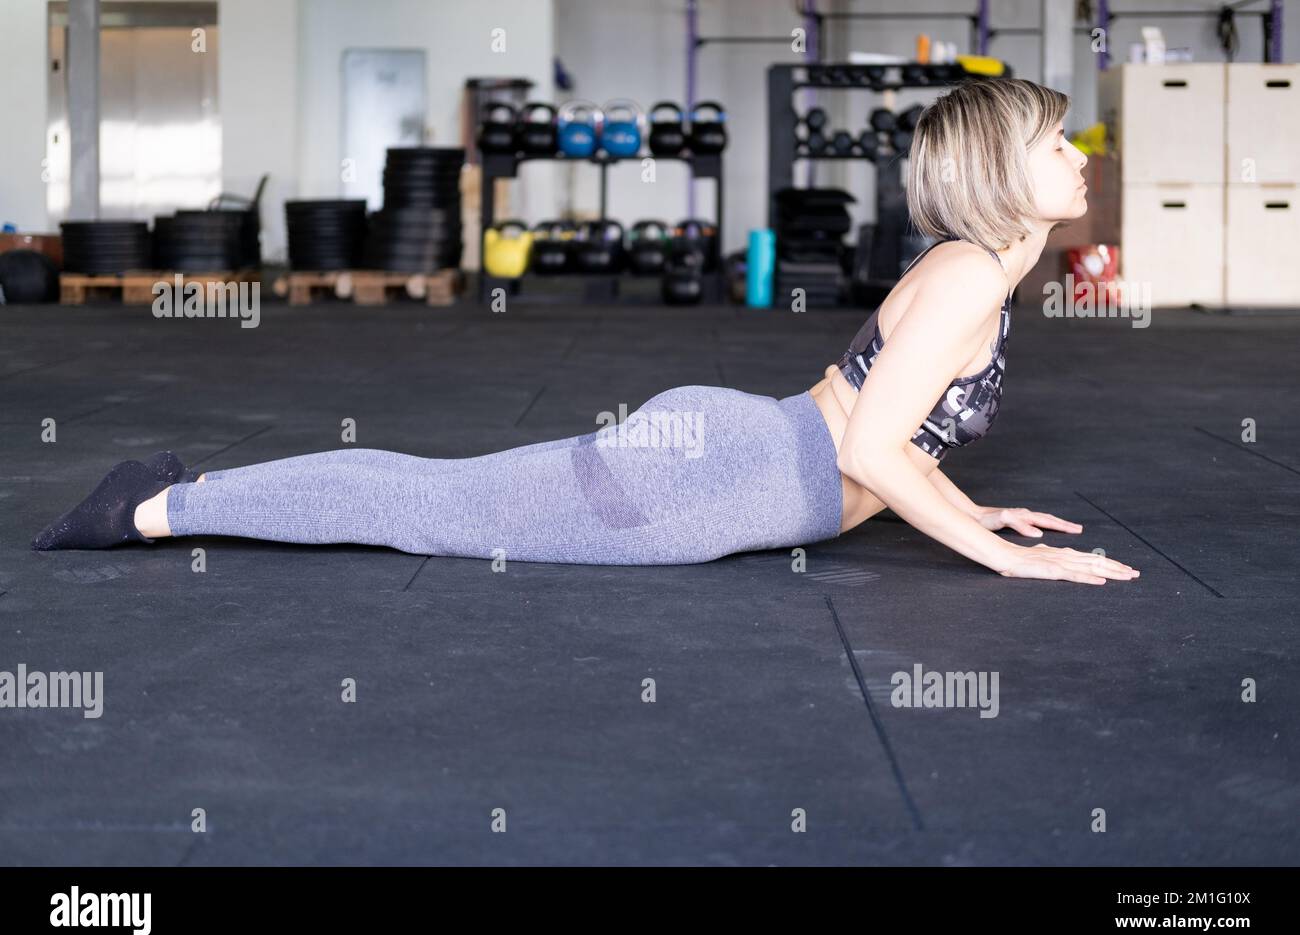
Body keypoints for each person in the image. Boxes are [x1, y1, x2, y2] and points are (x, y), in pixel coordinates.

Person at [33, 77, 1138, 587]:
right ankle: (144, 505)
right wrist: (999, 558)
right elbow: (863, 448)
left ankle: (176, 494)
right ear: (998, 168)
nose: (1076, 157)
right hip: (717, 475)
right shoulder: (963, 280)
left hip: (736, 465)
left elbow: (896, 434)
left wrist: (968, 503)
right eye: (1053, 143)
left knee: (436, 499)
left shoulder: (975, 274)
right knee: (429, 506)